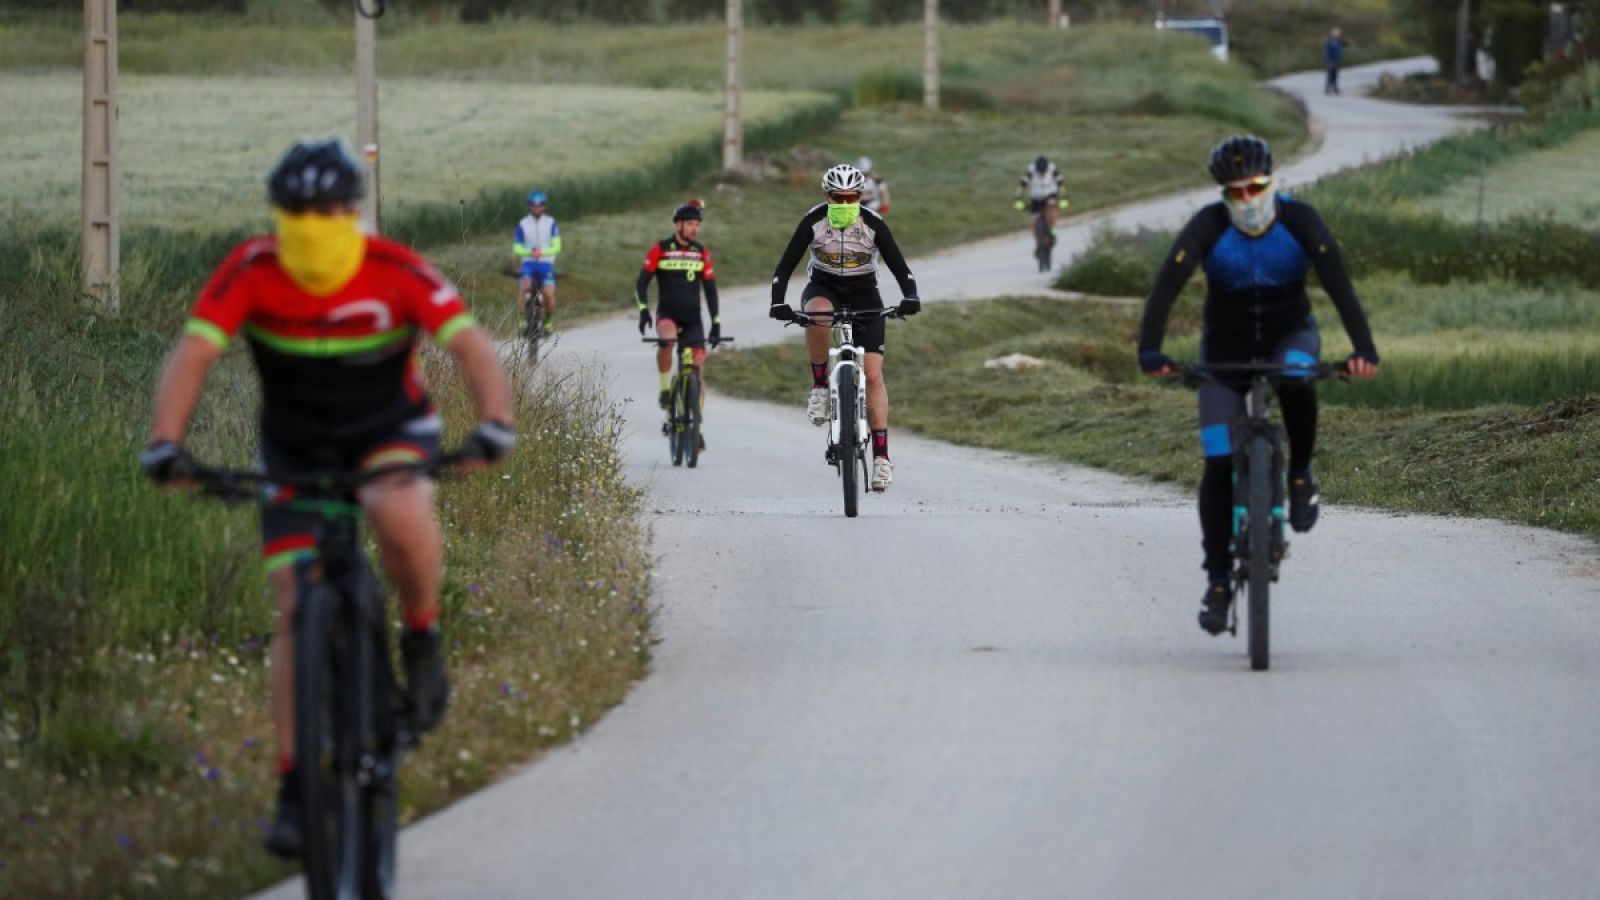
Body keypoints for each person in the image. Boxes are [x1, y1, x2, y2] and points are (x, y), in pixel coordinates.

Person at [139, 138, 516, 858]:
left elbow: (471, 346)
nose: (314, 222)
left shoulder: (392, 269)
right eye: (298, 211)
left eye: (330, 210)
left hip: (389, 428)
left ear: (355, 211)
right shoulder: (252, 268)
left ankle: (422, 636)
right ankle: (293, 786)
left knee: (399, 510)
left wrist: (496, 425)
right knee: (290, 602)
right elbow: (195, 350)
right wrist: (165, 441)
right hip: (296, 445)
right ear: (279, 214)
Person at [1136, 135, 1379, 635]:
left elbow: (1339, 285)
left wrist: (1364, 351)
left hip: (1289, 334)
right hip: (1225, 349)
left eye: (1256, 187)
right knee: (1219, 460)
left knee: (1295, 378)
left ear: (1273, 181)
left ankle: (1300, 476)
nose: (1247, 199)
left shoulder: (1301, 221)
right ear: (1222, 194)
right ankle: (1219, 581)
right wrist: (1151, 352)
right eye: (1235, 192)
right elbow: (1166, 287)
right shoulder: (1207, 226)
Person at [769, 163, 920, 493]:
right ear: (827, 196)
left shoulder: (873, 224)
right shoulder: (813, 221)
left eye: (851, 197)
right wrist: (777, 301)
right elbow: (784, 266)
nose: (844, 203)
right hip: (824, 287)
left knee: (874, 372)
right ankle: (821, 387)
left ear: (860, 197)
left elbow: (900, 268)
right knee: (818, 315)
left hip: (865, 291)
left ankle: (881, 459)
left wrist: (911, 295)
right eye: (838, 198)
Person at [636, 199, 722, 448]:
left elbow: (711, 289)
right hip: (668, 314)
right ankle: (665, 390)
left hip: (693, 318)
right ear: (678, 225)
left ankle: (696, 425)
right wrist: (643, 312)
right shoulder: (660, 248)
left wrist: (716, 323)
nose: (694, 229)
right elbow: (641, 284)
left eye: (697, 224)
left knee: (698, 371)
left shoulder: (701, 252)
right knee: (667, 341)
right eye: (690, 224)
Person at [514, 190, 561, 333]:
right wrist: (530, 252)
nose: (537, 208)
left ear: (544, 206)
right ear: (529, 206)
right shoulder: (522, 224)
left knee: (548, 294)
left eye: (540, 205)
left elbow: (557, 247)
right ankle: (521, 320)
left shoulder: (551, 223)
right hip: (528, 263)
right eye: (533, 205)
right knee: (524, 288)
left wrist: (541, 252)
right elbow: (517, 248)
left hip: (546, 264)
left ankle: (547, 321)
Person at [1015, 155, 1068, 230]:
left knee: (1052, 207)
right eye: (1040, 171)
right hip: (1036, 196)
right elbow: (1022, 184)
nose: (1042, 173)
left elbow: (1060, 182)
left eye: (1044, 171)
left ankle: (1052, 229)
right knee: (1034, 219)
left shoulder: (1052, 168)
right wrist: (1018, 197)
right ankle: (1037, 239)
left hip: (1050, 193)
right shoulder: (1030, 170)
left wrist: (1064, 197)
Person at [1324, 27, 1348, 95]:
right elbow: (1328, 52)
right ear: (1333, 34)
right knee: (1330, 74)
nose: (1338, 34)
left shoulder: (1338, 41)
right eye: (1336, 33)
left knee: (1335, 74)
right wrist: (1330, 61)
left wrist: (1343, 42)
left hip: (1337, 60)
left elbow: (1346, 45)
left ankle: (1335, 88)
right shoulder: (1330, 41)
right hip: (1331, 60)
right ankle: (1328, 88)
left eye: (1338, 33)